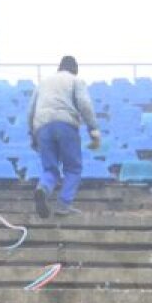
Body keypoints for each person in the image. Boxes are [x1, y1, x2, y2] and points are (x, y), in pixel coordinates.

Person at [27, 55, 101, 218]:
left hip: (42, 127)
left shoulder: (43, 83)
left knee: (50, 169)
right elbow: (85, 104)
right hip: (65, 125)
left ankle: (43, 188)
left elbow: (30, 110)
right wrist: (93, 129)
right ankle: (63, 204)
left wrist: (32, 135)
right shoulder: (75, 81)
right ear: (74, 69)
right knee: (73, 168)